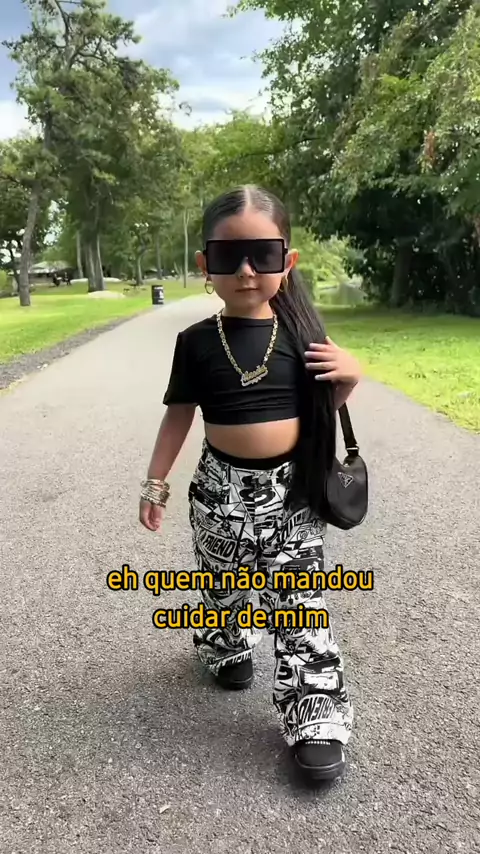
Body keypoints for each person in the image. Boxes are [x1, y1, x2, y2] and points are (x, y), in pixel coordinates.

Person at [139, 185, 362, 783]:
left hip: (293, 496)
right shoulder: (195, 342)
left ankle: (315, 713)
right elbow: (178, 415)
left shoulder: (303, 335)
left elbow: (323, 408)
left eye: (262, 255)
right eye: (228, 256)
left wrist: (350, 378)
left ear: (287, 261)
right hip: (218, 493)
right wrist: (155, 482)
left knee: (300, 604)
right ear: (203, 264)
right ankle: (226, 643)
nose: (245, 271)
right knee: (222, 585)